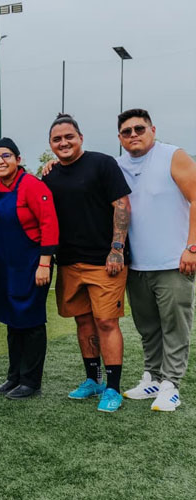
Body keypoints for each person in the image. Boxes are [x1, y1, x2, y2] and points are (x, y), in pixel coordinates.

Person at [43, 113, 131, 412]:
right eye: (57, 139)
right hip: (69, 261)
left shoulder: (103, 163)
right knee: (83, 320)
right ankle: (93, 380)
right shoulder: (50, 175)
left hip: (105, 261)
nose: (64, 142)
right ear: (51, 144)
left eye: (69, 137)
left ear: (80, 138)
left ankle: (113, 387)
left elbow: (121, 205)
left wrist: (116, 248)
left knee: (106, 321)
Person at [115, 109, 196, 411]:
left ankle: (171, 385)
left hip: (173, 262)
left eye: (139, 128)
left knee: (175, 326)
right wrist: (52, 164)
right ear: (120, 138)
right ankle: (152, 377)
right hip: (137, 265)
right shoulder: (118, 165)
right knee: (148, 327)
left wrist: (192, 246)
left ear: (152, 130)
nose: (133, 135)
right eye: (127, 131)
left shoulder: (173, 155)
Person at [0, 137, 59, 400]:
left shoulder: (32, 185)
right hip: (6, 267)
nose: (1, 161)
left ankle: (31, 381)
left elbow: (49, 224)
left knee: (31, 322)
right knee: (12, 321)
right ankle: (14, 377)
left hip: (32, 265)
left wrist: (44, 264)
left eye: (6, 155)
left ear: (18, 159)